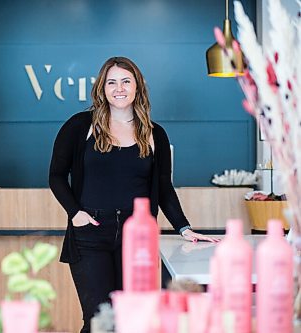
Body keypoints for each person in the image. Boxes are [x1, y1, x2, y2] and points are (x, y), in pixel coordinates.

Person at [48, 56, 218, 333]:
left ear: (138, 86)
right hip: (91, 233)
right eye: (111, 82)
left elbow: (164, 187)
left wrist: (184, 227)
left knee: (132, 319)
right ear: (102, 89)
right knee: (99, 319)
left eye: (126, 81)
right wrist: (75, 213)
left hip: (136, 235)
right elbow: (56, 175)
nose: (119, 88)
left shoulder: (154, 134)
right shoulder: (80, 126)